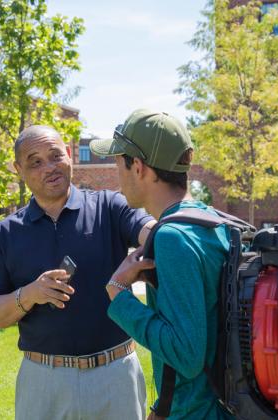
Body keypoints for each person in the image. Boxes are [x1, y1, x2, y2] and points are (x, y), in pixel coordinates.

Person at [0, 125, 156, 420]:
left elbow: (150, 232)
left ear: (70, 155)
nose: (49, 167)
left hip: (116, 375)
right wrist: (29, 294)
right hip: (43, 382)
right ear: (18, 169)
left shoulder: (109, 207)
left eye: (55, 155)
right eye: (35, 161)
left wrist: (171, 233)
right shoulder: (6, 233)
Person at [90, 109, 234, 419]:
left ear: (138, 167)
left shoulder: (172, 238)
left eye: (119, 164)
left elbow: (186, 353)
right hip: (211, 405)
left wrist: (119, 294)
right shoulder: (209, 221)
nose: (118, 177)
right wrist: (162, 407)